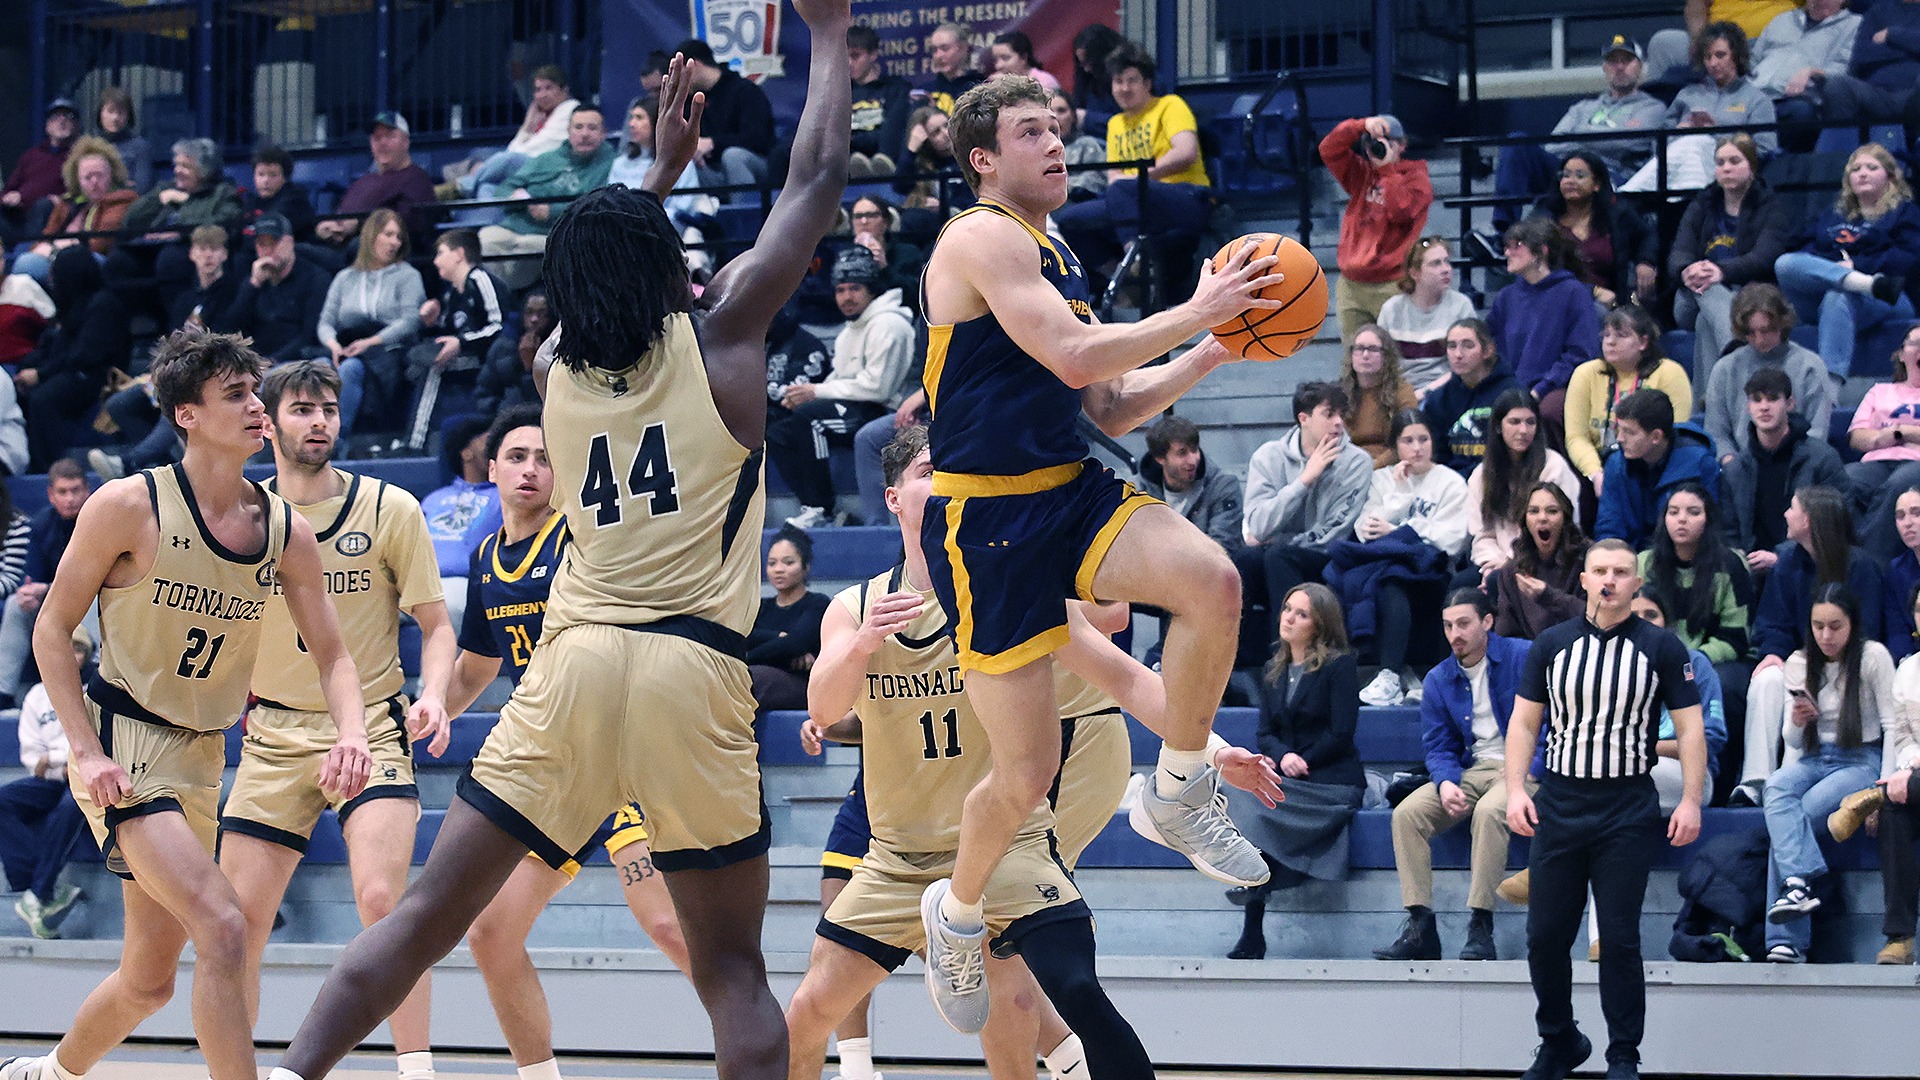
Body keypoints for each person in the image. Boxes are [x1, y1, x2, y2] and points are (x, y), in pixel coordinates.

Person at [262, 23, 855, 1080]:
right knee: (732, 975)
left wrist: (654, 179)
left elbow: (602, 262)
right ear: (671, 265)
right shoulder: (723, 345)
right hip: (693, 672)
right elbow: (811, 181)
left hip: (572, 666)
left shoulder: (552, 371)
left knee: (422, 923)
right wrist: (833, 26)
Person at [912, 72, 1282, 1033]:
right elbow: (1079, 358)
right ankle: (954, 914)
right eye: (1029, 130)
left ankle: (1177, 788)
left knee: (1212, 580)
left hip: (1066, 490)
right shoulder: (981, 234)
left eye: (1057, 126)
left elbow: (1106, 406)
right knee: (1026, 774)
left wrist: (1206, 355)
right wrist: (1201, 309)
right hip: (984, 523)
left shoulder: (1056, 245)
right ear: (984, 159)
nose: (1054, 141)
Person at [790, 423, 1219, 1080]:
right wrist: (858, 648)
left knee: (1052, 996)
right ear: (893, 499)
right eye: (928, 471)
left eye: (952, 472)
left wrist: (1208, 747)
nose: (942, 483)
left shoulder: (1008, 596)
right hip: (898, 862)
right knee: (804, 1016)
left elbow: (1125, 674)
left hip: (1003, 849)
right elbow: (822, 709)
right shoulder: (855, 607)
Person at [0, 330, 370, 1080]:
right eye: (234, 394)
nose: (256, 407)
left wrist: (354, 733)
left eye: (255, 392)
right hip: (125, 742)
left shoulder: (285, 531)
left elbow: (334, 655)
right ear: (185, 414)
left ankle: (53, 1072)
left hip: (202, 755)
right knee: (226, 927)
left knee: (149, 979)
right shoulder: (127, 505)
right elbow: (49, 627)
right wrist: (86, 750)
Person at [218, 360, 453, 1080]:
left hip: (371, 727)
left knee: (384, 902)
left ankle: (417, 1071)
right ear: (269, 422)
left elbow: (437, 627)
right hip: (270, 734)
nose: (317, 421)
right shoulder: (237, 515)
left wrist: (435, 694)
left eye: (328, 409)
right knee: (235, 927)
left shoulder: (391, 509)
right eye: (301, 409)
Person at [442, 405, 694, 1077]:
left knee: (668, 925)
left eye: (546, 458)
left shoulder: (580, 539)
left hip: (617, 754)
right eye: (518, 456)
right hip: (549, 771)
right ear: (489, 468)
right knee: (492, 935)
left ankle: (772, 1056)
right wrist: (431, 710)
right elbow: (475, 666)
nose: (531, 469)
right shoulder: (484, 558)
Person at [1504, 540, 1706, 1080]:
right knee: (1545, 935)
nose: (1611, 580)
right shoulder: (1550, 644)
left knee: (1618, 937)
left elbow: (1689, 729)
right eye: (1601, 571)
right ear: (1585, 580)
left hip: (1626, 805)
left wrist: (1690, 799)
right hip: (1561, 802)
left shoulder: (1663, 648)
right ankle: (1559, 1040)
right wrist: (1517, 789)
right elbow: (1524, 723)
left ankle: (1623, 1055)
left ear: (1636, 582)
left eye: (1621, 572)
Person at [1376, 589, 1539, 962]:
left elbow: (1551, 724)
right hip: (1472, 770)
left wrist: (1529, 768)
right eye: (1448, 626)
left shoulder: (1522, 657)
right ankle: (1421, 927)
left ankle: (1481, 924)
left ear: (1487, 621)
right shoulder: (1438, 678)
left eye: (1463, 623)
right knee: (1407, 814)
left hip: (1522, 768)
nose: (1455, 634)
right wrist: (1446, 781)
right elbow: (1439, 746)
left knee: (1489, 812)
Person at [1222, 582, 1365, 959]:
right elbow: (1265, 732)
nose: (1289, 617)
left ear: (1319, 624)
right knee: (1238, 787)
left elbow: (1342, 732)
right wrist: (1280, 756)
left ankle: (1257, 897)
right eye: (1287, 608)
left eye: (1302, 613)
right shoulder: (1274, 668)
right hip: (1292, 778)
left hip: (1330, 782)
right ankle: (1256, 909)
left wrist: (1301, 759)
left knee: (1257, 797)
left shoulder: (1340, 665)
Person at [1760, 583, 1894, 962]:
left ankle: (1785, 939)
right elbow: (1794, 743)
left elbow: (1891, 726)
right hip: (1815, 758)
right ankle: (1797, 888)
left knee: (1793, 821)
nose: (1826, 635)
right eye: (1818, 626)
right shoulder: (1800, 662)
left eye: (1835, 626)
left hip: (1861, 758)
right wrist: (1798, 723)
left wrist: (1882, 791)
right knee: (1776, 789)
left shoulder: (1873, 657)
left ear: (1852, 624)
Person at [1740, 485, 1885, 803]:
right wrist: (1772, 654)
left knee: (1810, 682)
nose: (1785, 514)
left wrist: (1825, 654)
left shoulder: (1861, 567)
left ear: (1809, 520)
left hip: (1845, 662)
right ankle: (1756, 780)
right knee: (1766, 678)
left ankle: (1797, 780)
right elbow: (1772, 621)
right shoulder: (1787, 562)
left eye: (1792, 508)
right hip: (1798, 660)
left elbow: (1869, 629)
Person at [1050, 42, 1217, 303]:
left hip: (1187, 197)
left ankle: (1135, 260)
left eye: (1132, 81)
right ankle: (1122, 275)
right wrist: (1129, 184)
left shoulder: (1170, 105)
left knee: (1121, 189)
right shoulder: (1116, 123)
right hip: (1132, 201)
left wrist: (1137, 179)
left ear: (1147, 83)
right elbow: (1114, 176)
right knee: (1069, 220)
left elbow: (1185, 153)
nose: (1124, 88)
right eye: (1118, 81)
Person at [770, 246, 916, 529]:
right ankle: (811, 505)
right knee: (779, 431)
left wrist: (815, 392)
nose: (846, 297)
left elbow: (879, 388)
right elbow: (839, 378)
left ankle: (821, 507)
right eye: (840, 290)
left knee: (810, 419)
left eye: (854, 288)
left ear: (871, 289)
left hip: (886, 411)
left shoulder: (889, 324)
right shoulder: (850, 329)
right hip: (855, 407)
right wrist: (803, 394)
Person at [1239, 381, 1375, 654]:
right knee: (1238, 562)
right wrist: (1303, 481)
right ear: (1304, 418)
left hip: (1325, 559)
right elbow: (1257, 524)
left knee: (1277, 556)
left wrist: (1278, 541)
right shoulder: (1268, 457)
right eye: (1329, 414)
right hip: (1275, 555)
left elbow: (1334, 531)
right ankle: (1223, 663)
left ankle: (1285, 656)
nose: (1338, 422)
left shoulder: (1356, 462)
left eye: (1341, 414)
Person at [1346, 410, 1471, 706]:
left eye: (1423, 439)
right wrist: (1399, 497)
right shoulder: (1381, 480)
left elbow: (1451, 541)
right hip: (1388, 573)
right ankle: (1390, 675)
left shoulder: (1450, 483)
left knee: (1395, 579)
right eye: (1408, 440)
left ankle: (1417, 675)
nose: (1417, 447)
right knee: (1390, 582)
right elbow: (1365, 532)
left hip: (1434, 574)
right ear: (1396, 445)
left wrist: (1398, 530)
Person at [1773, 143, 1920, 381]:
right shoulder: (1834, 214)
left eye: (1872, 167)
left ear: (1890, 176)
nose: (1862, 173)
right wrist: (1836, 269)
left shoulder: (1904, 213)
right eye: (1856, 169)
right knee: (1784, 263)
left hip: (1888, 294)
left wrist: (1859, 266)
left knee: (1836, 297)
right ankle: (1856, 282)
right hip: (1840, 289)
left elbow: (1907, 259)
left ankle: (1829, 387)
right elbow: (1806, 249)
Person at [1640, 482, 1755, 766]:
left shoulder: (1730, 564)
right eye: (1673, 512)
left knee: (1726, 686)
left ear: (1708, 519)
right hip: (1652, 657)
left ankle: (1723, 777)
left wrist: (1695, 660)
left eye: (1693, 512)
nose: (1682, 519)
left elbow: (1737, 635)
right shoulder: (1644, 563)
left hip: (1713, 660)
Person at [1668, 135, 1790, 392]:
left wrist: (1721, 271)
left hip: (1746, 298)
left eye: (1735, 161)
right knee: (1707, 289)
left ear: (1752, 167)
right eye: (1720, 162)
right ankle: (1737, 352)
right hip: (1691, 297)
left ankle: (1708, 397)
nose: (1726, 168)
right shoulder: (1703, 203)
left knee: (1706, 321)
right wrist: (1688, 270)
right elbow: (1679, 251)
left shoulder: (1770, 206)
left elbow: (1765, 257)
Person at [1495, 35, 1665, 207]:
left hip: (1610, 177)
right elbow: (1554, 146)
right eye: (1613, 61)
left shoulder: (1652, 107)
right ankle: (1502, 229)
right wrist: (1592, 144)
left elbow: (1627, 142)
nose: (1620, 67)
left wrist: (1578, 138)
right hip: (1568, 172)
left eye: (1627, 60)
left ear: (1640, 67)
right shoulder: (1582, 107)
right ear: (1605, 68)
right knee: (1517, 141)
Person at [0, 624, 93, 939]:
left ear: (86, 656)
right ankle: (39, 889)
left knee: (72, 804)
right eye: (68, 647)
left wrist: (57, 759)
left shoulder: (94, 692)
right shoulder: (37, 696)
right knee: (4, 799)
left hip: (86, 776)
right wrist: (59, 761)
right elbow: (31, 756)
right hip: (53, 777)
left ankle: (37, 893)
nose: (72, 654)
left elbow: (95, 745)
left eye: (79, 649)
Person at [1318, 113, 1433, 343]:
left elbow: (1400, 212)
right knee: (1356, 359)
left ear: (1402, 145)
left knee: (1397, 358)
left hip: (1392, 283)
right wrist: (1360, 126)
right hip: (1351, 283)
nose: (1382, 147)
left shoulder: (1418, 180)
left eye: (1389, 142)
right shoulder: (1363, 174)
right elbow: (1328, 149)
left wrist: (1387, 171)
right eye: (1376, 142)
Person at [318, 208, 428, 445]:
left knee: (349, 370)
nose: (394, 242)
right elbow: (326, 323)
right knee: (320, 367)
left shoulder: (408, 276)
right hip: (345, 346)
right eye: (388, 234)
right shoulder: (345, 278)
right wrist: (334, 346)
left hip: (385, 351)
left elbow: (410, 321)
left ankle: (335, 440)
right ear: (371, 235)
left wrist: (370, 342)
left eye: (398, 237)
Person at [1722, 367, 1844, 576]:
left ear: (1790, 403)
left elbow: (1838, 521)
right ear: (1747, 407)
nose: (1764, 407)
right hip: (1750, 576)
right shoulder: (1735, 469)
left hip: (1808, 572)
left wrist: (1783, 557)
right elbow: (1726, 531)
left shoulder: (1822, 458)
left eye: (1772, 399)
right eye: (1757, 400)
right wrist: (1739, 559)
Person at [480, 106, 616, 291]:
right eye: (578, 127)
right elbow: (505, 187)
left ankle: (505, 296)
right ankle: (503, 295)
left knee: (528, 248)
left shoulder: (612, 164)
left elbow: (599, 203)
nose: (584, 134)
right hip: (514, 226)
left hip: (557, 234)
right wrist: (519, 198)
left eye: (592, 128)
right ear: (568, 132)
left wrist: (551, 211)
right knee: (485, 239)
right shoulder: (547, 159)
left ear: (603, 133)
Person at [1486, 218, 1600, 431]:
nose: (1508, 253)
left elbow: (1580, 353)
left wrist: (1541, 388)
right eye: (1506, 247)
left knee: (1546, 414)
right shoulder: (1506, 297)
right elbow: (1489, 347)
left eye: (1516, 246)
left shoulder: (1572, 293)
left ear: (1542, 251)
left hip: (1556, 387)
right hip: (1512, 387)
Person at [1565, 307, 1695, 490]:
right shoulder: (1586, 373)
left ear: (1643, 342)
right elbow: (1576, 437)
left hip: (1653, 468)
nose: (1610, 342)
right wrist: (1596, 473)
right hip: (1598, 469)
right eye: (1606, 335)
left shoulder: (1669, 373)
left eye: (1621, 335)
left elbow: (1675, 434)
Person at [1703, 283, 1835, 461]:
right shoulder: (1725, 368)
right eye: (1750, 332)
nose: (1759, 340)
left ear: (1782, 323)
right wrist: (1731, 464)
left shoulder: (1810, 366)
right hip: (1741, 468)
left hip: (1797, 466)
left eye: (1765, 331)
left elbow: (1817, 433)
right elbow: (1716, 432)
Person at [1628, 589, 1731, 811]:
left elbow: (1710, 741)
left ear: (1667, 621)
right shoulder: (1614, 667)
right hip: (1628, 764)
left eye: (1651, 615)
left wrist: (1647, 747)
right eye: (1634, 616)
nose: (1643, 623)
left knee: (1621, 780)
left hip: (1690, 773)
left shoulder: (1694, 664)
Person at [1465, 390, 1581, 581]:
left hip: (1546, 561)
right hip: (1496, 561)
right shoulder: (1481, 475)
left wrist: (1510, 566)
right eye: (1514, 422)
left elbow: (1563, 529)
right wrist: (1494, 563)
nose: (1523, 431)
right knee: (1461, 584)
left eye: (1530, 422)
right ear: (1498, 426)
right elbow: (1482, 534)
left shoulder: (1553, 466)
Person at [0, 461, 90, 707]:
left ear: (88, 491)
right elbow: (31, 579)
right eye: (63, 492)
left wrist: (47, 589)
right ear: (51, 494)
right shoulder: (39, 525)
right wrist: (28, 594)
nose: (70, 499)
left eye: (76, 490)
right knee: (16, 606)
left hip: (95, 601)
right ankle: (4, 693)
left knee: (96, 601)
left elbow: (103, 580)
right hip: (55, 604)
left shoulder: (99, 522)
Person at [408, 229, 507, 450]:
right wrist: (431, 322)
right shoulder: (451, 293)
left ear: (459, 254)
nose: (435, 261)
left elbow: (497, 326)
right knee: (416, 358)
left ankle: (415, 442)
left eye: (441, 253)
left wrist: (462, 342)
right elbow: (450, 330)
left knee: (434, 366)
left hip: (487, 356)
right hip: (466, 353)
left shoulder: (480, 279)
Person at [1594, 389, 1721, 549]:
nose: (1620, 439)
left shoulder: (1701, 465)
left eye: (1629, 432)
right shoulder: (1615, 464)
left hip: (1684, 558)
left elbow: (1711, 528)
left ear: (1656, 437)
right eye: (1619, 430)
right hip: (1630, 559)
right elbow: (1609, 526)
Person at [1529, 152, 1657, 310]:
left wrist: (1645, 262)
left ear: (1597, 184)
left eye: (1580, 176)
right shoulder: (1542, 219)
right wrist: (1593, 292)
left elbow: (1647, 236)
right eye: (1565, 175)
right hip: (1555, 303)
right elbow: (1537, 269)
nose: (1570, 181)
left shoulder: (1616, 213)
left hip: (1611, 304)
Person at [212, 211, 330, 366]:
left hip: (296, 364)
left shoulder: (316, 279)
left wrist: (274, 361)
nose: (267, 250)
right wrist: (253, 285)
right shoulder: (253, 281)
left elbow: (309, 335)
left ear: (289, 242)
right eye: (261, 244)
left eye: (273, 242)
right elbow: (231, 329)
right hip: (253, 363)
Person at [449, 65, 580, 201]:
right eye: (538, 89)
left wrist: (493, 164)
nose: (542, 95)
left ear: (564, 90)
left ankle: (460, 186)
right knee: (487, 186)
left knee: (508, 160)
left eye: (548, 88)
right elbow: (514, 148)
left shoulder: (570, 109)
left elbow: (520, 152)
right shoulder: (541, 115)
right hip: (528, 165)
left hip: (548, 168)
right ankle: (477, 218)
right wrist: (527, 126)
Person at [419, 414, 501, 629]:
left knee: (448, 604)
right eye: (489, 442)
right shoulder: (432, 499)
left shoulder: (504, 497)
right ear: (466, 452)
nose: (496, 450)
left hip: (467, 586)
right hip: (420, 585)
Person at [1846, 322, 1920, 558]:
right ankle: (1847, 558)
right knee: (1843, 481)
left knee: (1898, 489)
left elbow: (1899, 433)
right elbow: (1857, 437)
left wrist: (1902, 432)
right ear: (1900, 354)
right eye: (1915, 344)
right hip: (1877, 461)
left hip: (1915, 465)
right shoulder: (1880, 391)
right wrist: (1880, 438)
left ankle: (1869, 565)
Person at [316, 113, 437, 258]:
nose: (382, 143)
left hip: (379, 254)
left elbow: (411, 226)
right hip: (339, 247)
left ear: (406, 142)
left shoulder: (416, 178)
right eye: (377, 138)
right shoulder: (362, 182)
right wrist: (327, 227)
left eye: (390, 136)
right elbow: (341, 215)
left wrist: (358, 225)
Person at [1489, 483, 1591, 651]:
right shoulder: (1512, 571)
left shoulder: (1588, 559)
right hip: (1531, 658)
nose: (1542, 518)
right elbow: (1506, 634)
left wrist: (1547, 596)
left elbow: (1597, 618)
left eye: (1552, 511)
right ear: (1525, 520)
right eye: (1534, 511)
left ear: (1565, 517)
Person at [1376, 237, 1477, 399]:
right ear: (1414, 273)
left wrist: (1424, 394)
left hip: (1446, 393)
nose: (1446, 269)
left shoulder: (1461, 306)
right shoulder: (1392, 309)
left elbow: (1469, 365)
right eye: (1436, 264)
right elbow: (1381, 363)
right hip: (1401, 394)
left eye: (1447, 262)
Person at [674, 40, 777, 196]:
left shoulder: (745, 91)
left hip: (756, 167)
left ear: (693, 65)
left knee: (733, 156)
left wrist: (713, 143)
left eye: (681, 74)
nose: (680, 82)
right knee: (683, 161)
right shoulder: (690, 100)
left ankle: (746, 215)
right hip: (712, 171)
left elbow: (758, 139)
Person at [1749, 0, 1861, 141]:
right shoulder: (1783, 19)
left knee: (1801, 112)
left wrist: (1813, 72)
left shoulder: (1854, 24)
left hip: (1793, 99)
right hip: (1755, 96)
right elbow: (1753, 60)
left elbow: (1844, 67)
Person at [1425, 318, 1522, 477]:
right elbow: (1436, 457)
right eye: (1451, 346)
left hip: (1500, 480)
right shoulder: (1438, 401)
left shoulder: (1513, 394)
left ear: (1488, 350)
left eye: (1468, 345)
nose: (1458, 354)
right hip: (1453, 485)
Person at [748, 525, 832, 710]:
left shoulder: (817, 603)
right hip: (761, 675)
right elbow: (742, 637)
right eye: (772, 563)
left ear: (805, 567)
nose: (779, 569)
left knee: (752, 678)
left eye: (788, 562)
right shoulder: (760, 607)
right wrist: (779, 639)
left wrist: (750, 657)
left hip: (803, 685)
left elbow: (797, 643)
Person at [25, 136, 137, 270]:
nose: (94, 181)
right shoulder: (67, 203)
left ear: (112, 175)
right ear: (77, 180)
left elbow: (100, 244)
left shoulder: (122, 200)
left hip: (97, 263)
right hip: (57, 259)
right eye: (88, 177)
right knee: (26, 262)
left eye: (100, 175)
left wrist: (56, 248)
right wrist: (49, 248)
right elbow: (42, 241)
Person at [1139, 415, 1242, 549]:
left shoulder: (1223, 486)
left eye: (1194, 449)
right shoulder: (1138, 492)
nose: (1193, 460)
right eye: (1182, 453)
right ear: (1160, 458)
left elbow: (1223, 546)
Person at [1, 100, 78, 244]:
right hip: (18, 216)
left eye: (68, 117)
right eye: (56, 117)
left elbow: (81, 194)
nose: (62, 121)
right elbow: (8, 190)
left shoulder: (78, 157)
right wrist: (10, 197)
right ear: (47, 126)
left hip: (51, 216)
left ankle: (29, 254)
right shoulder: (31, 155)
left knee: (43, 206)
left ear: (76, 126)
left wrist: (63, 200)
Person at [1341, 325, 1418, 467]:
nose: (1365, 355)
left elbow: (1408, 441)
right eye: (1359, 348)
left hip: (1390, 468)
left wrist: (1373, 466)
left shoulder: (1402, 392)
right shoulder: (1339, 393)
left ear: (1386, 356)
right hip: (1348, 468)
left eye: (1372, 349)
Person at [849, 24, 913, 177]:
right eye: (844, 57)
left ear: (873, 54)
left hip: (884, 151)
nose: (849, 63)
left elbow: (894, 130)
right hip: (848, 155)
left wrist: (858, 140)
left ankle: (884, 164)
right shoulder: (839, 91)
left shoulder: (896, 87)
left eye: (855, 56)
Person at [478, 291, 551, 415]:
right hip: (502, 415)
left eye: (542, 314)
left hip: (538, 417)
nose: (534, 319)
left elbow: (546, 401)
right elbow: (483, 393)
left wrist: (530, 368)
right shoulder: (503, 346)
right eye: (529, 312)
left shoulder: (559, 347)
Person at [241, 145, 317, 244]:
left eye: (273, 175)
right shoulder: (252, 202)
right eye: (261, 174)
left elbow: (270, 233)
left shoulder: (295, 200)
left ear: (285, 178)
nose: (265, 180)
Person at [1052, 91, 1109, 204]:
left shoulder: (1088, 144)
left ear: (1073, 116)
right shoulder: (1034, 151)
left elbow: (1098, 179)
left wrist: (1065, 185)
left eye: (1061, 111)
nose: (1056, 117)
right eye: (1050, 112)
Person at [92, 88, 151, 195]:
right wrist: (123, 184)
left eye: (121, 112)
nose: (115, 118)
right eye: (110, 111)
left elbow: (142, 189)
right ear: (100, 114)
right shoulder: (90, 145)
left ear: (128, 116)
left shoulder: (140, 147)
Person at [926, 22, 987, 114]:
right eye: (934, 50)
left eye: (945, 48)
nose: (939, 55)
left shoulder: (981, 86)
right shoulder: (926, 91)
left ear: (963, 48)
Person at [991, 31, 1060, 91]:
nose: (998, 66)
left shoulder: (1044, 81)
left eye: (1005, 58)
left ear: (1024, 57)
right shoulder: (997, 83)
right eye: (995, 60)